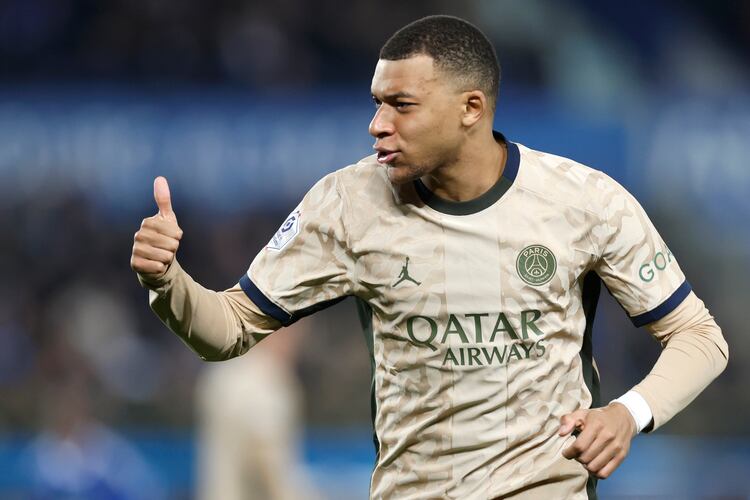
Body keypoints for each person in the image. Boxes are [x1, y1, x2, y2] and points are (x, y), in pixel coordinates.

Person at [130, 15, 728, 499]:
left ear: (471, 108)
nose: (377, 124)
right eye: (376, 103)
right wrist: (167, 280)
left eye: (402, 105)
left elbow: (700, 337)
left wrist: (628, 412)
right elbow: (227, 330)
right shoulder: (345, 205)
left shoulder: (584, 202)